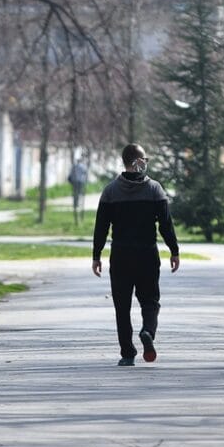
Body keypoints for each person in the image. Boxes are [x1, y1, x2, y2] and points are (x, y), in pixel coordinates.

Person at [92, 143, 180, 366]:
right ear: (136, 161)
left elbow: (101, 226)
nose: (146, 163)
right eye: (144, 159)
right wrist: (174, 250)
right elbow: (166, 225)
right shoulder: (155, 189)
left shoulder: (110, 191)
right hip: (147, 255)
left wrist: (97, 255)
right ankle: (148, 331)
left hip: (121, 255)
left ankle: (127, 353)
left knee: (122, 306)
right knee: (150, 301)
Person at [68, 158, 88, 223]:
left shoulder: (74, 166)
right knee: (79, 193)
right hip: (80, 181)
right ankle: (78, 203)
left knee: (75, 193)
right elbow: (85, 173)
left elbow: (71, 173)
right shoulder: (83, 166)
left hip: (74, 181)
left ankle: (75, 203)